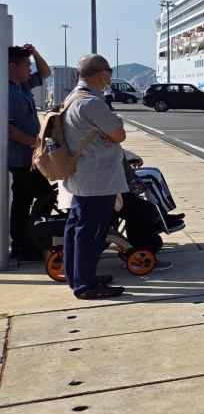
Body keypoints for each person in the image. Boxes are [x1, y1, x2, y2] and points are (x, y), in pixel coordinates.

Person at [60, 55, 130, 299]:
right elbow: (119, 134)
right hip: (98, 178)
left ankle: (77, 277)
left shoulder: (73, 97)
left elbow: (112, 129)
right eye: (109, 72)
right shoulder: (92, 103)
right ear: (102, 74)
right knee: (92, 232)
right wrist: (114, 127)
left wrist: (112, 127)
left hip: (82, 176)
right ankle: (86, 285)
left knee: (76, 228)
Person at [8, 45, 53, 259]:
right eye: (26, 65)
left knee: (22, 200)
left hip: (31, 157)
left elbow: (45, 73)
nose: (29, 69)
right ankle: (32, 240)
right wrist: (34, 143)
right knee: (46, 197)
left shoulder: (23, 85)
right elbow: (6, 128)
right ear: (12, 67)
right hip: (20, 158)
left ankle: (23, 243)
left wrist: (34, 53)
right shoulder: (6, 91)